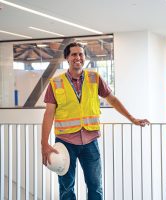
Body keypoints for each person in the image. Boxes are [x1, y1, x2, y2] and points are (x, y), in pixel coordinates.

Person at [41, 42, 149, 200]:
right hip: (65, 142)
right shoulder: (56, 83)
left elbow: (112, 99)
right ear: (67, 58)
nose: (78, 57)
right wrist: (44, 144)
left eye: (80, 54)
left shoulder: (94, 78)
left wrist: (132, 118)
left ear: (84, 57)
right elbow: (49, 113)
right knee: (66, 187)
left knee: (95, 186)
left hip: (90, 141)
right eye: (74, 54)